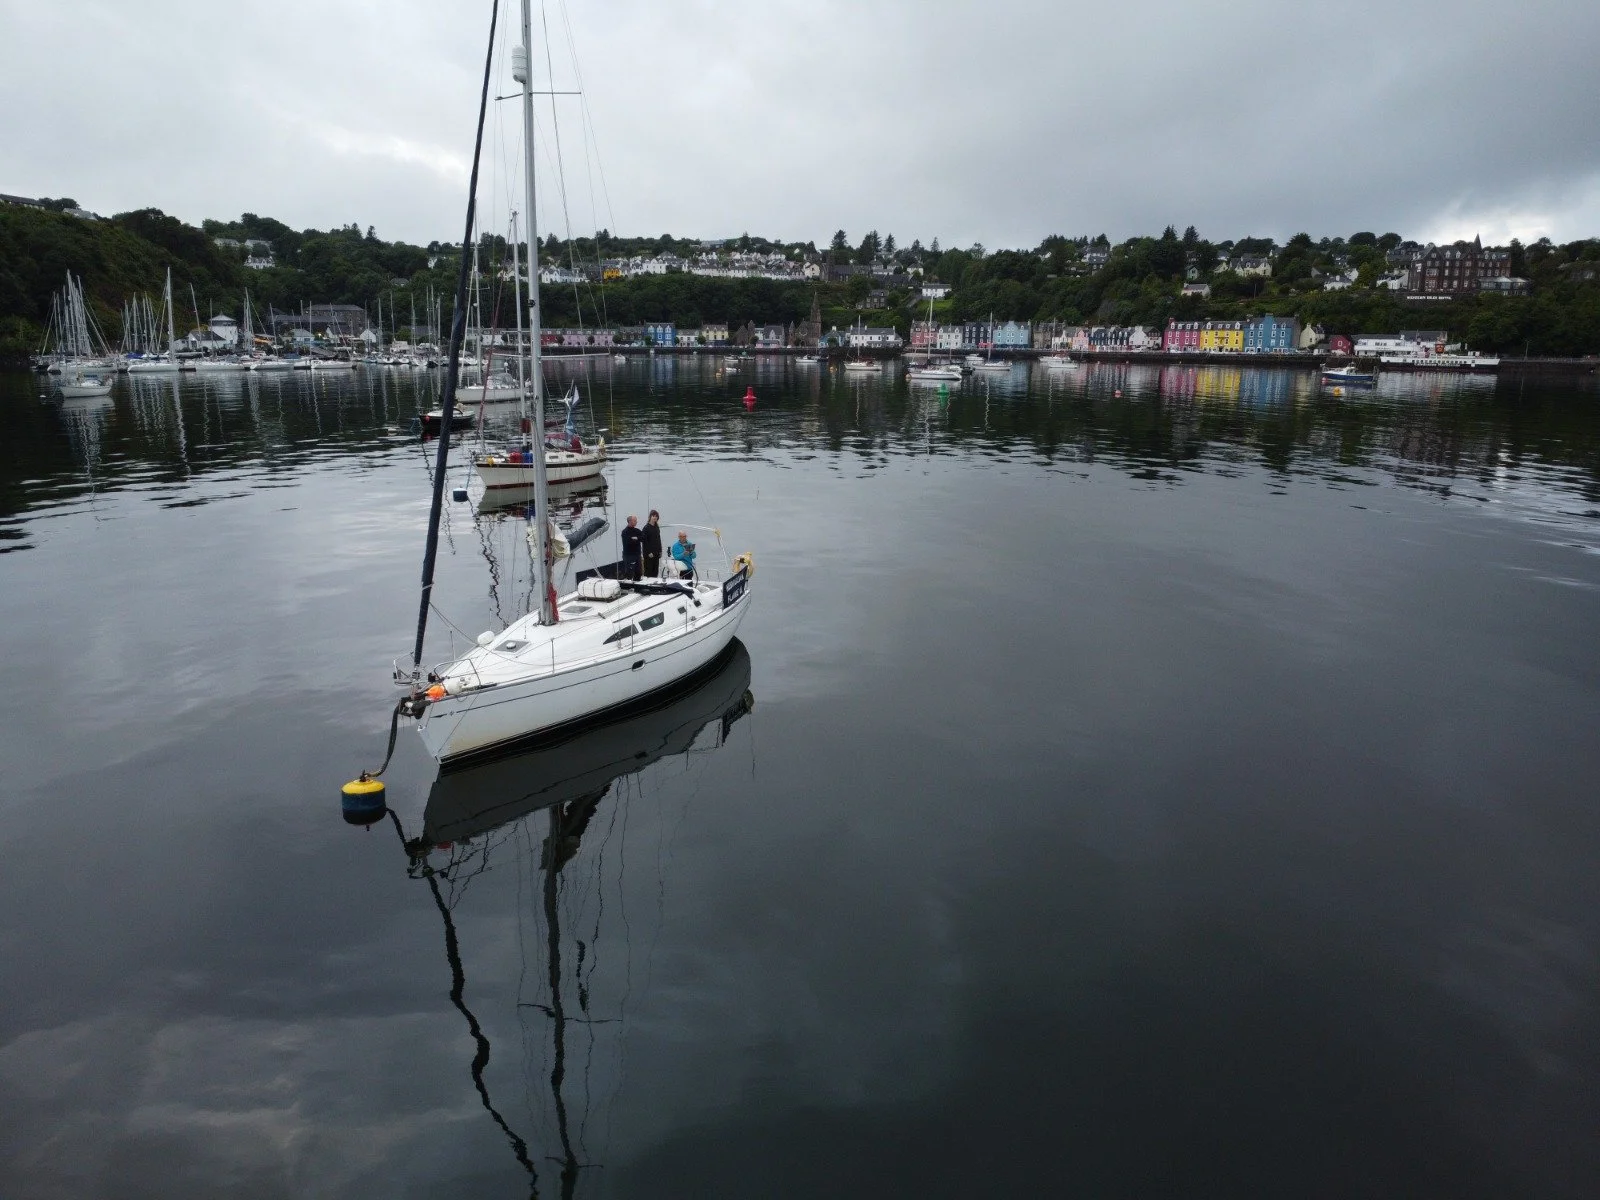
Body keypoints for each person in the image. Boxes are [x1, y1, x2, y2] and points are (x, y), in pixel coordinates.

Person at [620, 515, 644, 581]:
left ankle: (638, 584)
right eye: (635, 520)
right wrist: (636, 539)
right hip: (629, 556)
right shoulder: (625, 532)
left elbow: (643, 538)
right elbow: (628, 542)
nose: (636, 522)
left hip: (637, 555)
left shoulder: (637, 530)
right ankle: (629, 585)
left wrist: (636, 538)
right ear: (630, 521)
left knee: (638, 572)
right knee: (630, 573)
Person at [642, 509, 663, 578]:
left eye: (656, 516)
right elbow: (645, 542)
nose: (655, 517)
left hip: (656, 553)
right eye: (653, 516)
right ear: (650, 517)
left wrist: (660, 551)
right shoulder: (646, 528)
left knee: (655, 571)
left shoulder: (657, 527)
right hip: (649, 554)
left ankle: (654, 585)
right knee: (649, 571)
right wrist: (648, 552)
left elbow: (658, 539)